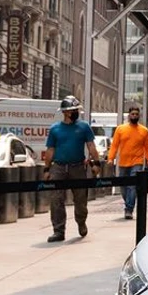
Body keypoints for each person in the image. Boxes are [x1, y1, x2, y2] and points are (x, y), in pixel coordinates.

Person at [43, 96, 101, 243]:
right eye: (73, 110)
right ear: (66, 112)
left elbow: (91, 146)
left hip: (78, 167)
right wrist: (46, 169)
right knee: (56, 199)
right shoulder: (55, 129)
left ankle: (81, 222)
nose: (76, 112)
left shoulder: (84, 127)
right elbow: (50, 150)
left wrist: (96, 163)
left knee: (81, 199)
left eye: (76, 110)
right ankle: (58, 231)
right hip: (59, 168)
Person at [107, 106, 148, 220]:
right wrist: (110, 158)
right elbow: (114, 145)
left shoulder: (143, 131)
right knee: (123, 187)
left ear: (139, 116)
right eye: (132, 114)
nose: (134, 116)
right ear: (129, 115)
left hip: (137, 162)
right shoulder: (120, 129)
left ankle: (129, 209)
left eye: (136, 114)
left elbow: (147, 148)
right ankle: (129, 201)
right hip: (123, 163)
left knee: (132, 186)